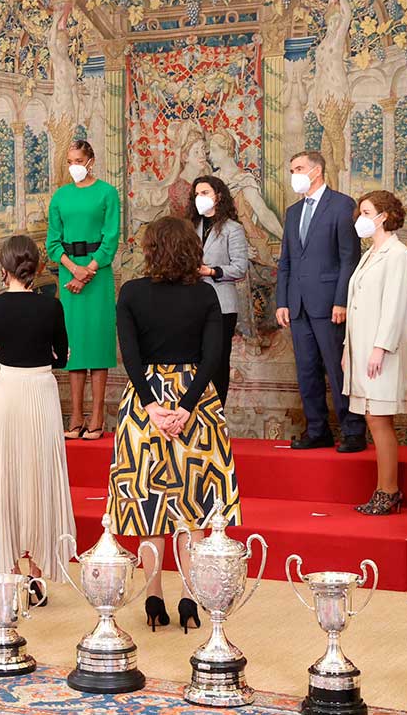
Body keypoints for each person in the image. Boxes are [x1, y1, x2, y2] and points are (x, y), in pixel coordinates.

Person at [108, 215, 241, 634]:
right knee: (193, 505)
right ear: (191, 251)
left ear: (150, 251)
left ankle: (153, 595)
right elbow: (213, 357)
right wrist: (185, 406)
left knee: (149, 503)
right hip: (196, 402)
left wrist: (151, 405)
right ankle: (188, 595)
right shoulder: (204, 295)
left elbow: (129, 357)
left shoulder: (130, 292)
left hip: (144, 404)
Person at [0, 235, 76, 599]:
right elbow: (63, 358)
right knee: (41, 474)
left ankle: (12, 568)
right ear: (34, 267)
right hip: (40, 391)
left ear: (3, 269)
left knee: (7, 474)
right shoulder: (51, 307)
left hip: (8, 391)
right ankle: (37, 571)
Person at [276, 151, 365, 452]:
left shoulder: (342, 206)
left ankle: (352, 430)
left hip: (330, 306)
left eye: (298, 168)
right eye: (291, 169)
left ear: (316, 171)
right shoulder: (292, 212)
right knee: (306, 370)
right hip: (298, 305)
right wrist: (282, 301)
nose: (294, 174)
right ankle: (317, 430)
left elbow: (348, 259)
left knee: (337, 368)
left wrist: (341, 300)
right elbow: (286, 261)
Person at [343, 190, 407, 515]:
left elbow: (395, 305)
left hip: (381, 351)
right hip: (362, 349)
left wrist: (380, 347)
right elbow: (356, 303)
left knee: (378, 419)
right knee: (373, 418)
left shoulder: (397, 254)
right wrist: (348, 348)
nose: (361, 218)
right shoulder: (370, 253)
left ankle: (389, 491)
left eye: (366, 212)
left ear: (383, 216)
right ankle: (383, 489)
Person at [46, 140, 120, 440]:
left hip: (97, 276)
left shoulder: (107, 193)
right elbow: (52, 241)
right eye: (69, 161)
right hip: (68, 275)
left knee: (97, 347)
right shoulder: (60, 197)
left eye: (78, 160)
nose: (73, 166)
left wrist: (88, 269)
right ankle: (75, 415)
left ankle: (98, 414)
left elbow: (111, 237)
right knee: (73, 347)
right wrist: (73, 269)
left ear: (91, 160)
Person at [187, 175, 247, 406]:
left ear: (218, 196)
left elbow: (240, 267)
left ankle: (217, 411)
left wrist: (211, 271)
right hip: (191, 304)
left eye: (205, 193)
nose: (199, 198)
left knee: (218, 360)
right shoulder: (189, 226)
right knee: (195, 359)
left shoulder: (234, 229)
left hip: (222, 304)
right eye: (197, 194)